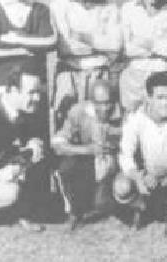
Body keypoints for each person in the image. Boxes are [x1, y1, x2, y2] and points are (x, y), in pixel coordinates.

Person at [113, 72, 167, 236]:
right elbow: (125, 153)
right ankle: (141, 207)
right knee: (121, 186)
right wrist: (138, 178)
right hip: (145, 177)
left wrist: (164, 171)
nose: (166, 103)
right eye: (160, 97)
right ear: (148, 98)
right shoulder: (136, 117)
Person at [0, 62, 46, 233]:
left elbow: (26, 136)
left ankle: (21, 212)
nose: (37, 98)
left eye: (38, 92)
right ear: (13, 91)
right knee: (10, 192)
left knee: (29, 161)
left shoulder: (19, 109)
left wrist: (33, 144)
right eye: (32, 93)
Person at [50, 0, 123, 125]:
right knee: (65, 120)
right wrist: (99, 43)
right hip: (69, 72)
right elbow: (65, 45)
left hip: (99, 72)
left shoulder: (109, 7)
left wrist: (83, 37)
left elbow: (115, 44)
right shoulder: (59, 6)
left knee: (100, 123)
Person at [51, 80, 120, 231]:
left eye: (109, 103)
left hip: (115, 163)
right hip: (89, 160)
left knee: (101, 205)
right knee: (67, 167)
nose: (105, 108)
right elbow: (58, 144)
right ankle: (74, 210)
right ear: (91, 102)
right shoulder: (78, 112)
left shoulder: (122, 115)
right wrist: (87, 150)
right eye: (100, 103)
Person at [119, 0, 167, 114]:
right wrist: (158, 45)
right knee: (131, 120)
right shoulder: (128, 9)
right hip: (134, 74)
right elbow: (127, 47)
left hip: (161, 73)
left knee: (161, 121)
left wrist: (142, 42)